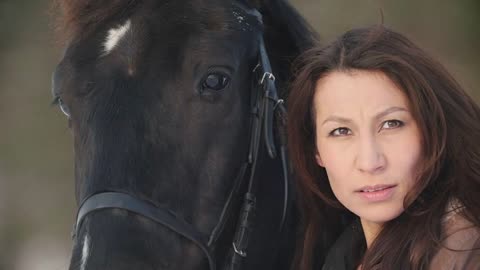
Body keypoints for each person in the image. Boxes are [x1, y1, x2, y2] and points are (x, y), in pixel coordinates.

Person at [287, 25, 480, 270]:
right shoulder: (338, 253)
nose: (370, 162)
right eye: (341, 131)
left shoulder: (466, 251)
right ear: (315, 150)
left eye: (391, 124)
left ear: (433, 130)